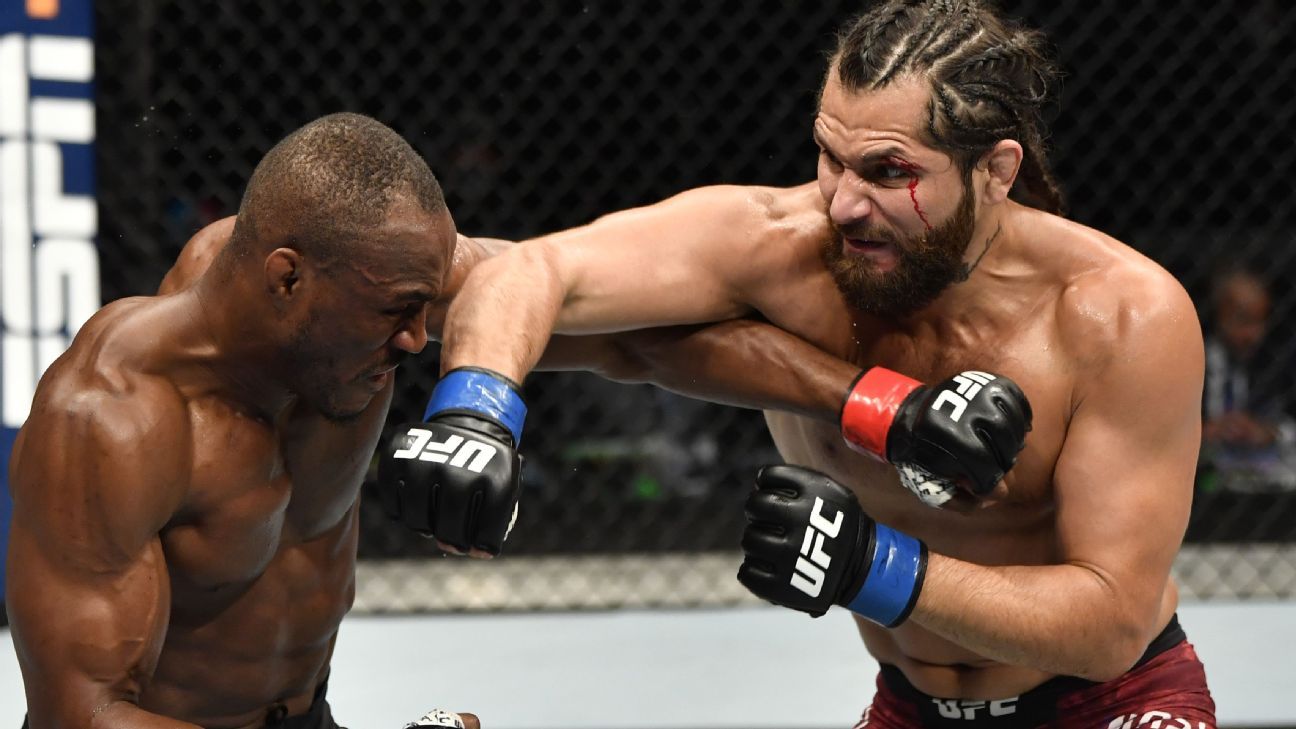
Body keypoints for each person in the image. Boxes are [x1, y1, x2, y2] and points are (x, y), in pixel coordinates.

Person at [6, 109, 1024, 728]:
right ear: (285, 280)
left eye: (426, 308)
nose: (422, 340)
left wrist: (880, 407)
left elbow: (642, 340)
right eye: (399, 316)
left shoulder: (364, 292)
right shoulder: (114, 419)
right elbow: (80, 713)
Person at [408, 1, 1216, 726]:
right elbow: (527, 269)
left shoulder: (1118, 315)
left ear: (995, 172)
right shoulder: (780, 250)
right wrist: (476, 409)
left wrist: (869, 563)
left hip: (1113, 702)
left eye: (890, 172)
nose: (844, 203)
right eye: (831, 156)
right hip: (909, 706)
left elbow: (1111, 625)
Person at [1199, 264, 1296, 493]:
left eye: (1260, 321)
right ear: (1217, 315)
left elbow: (1287, 421)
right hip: (1206, 473)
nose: (1253, 334)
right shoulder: (1192, 358)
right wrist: (1205, 430)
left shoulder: (1276, 359)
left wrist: (1268, 432)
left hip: (1266, 470)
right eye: (1241, 320)